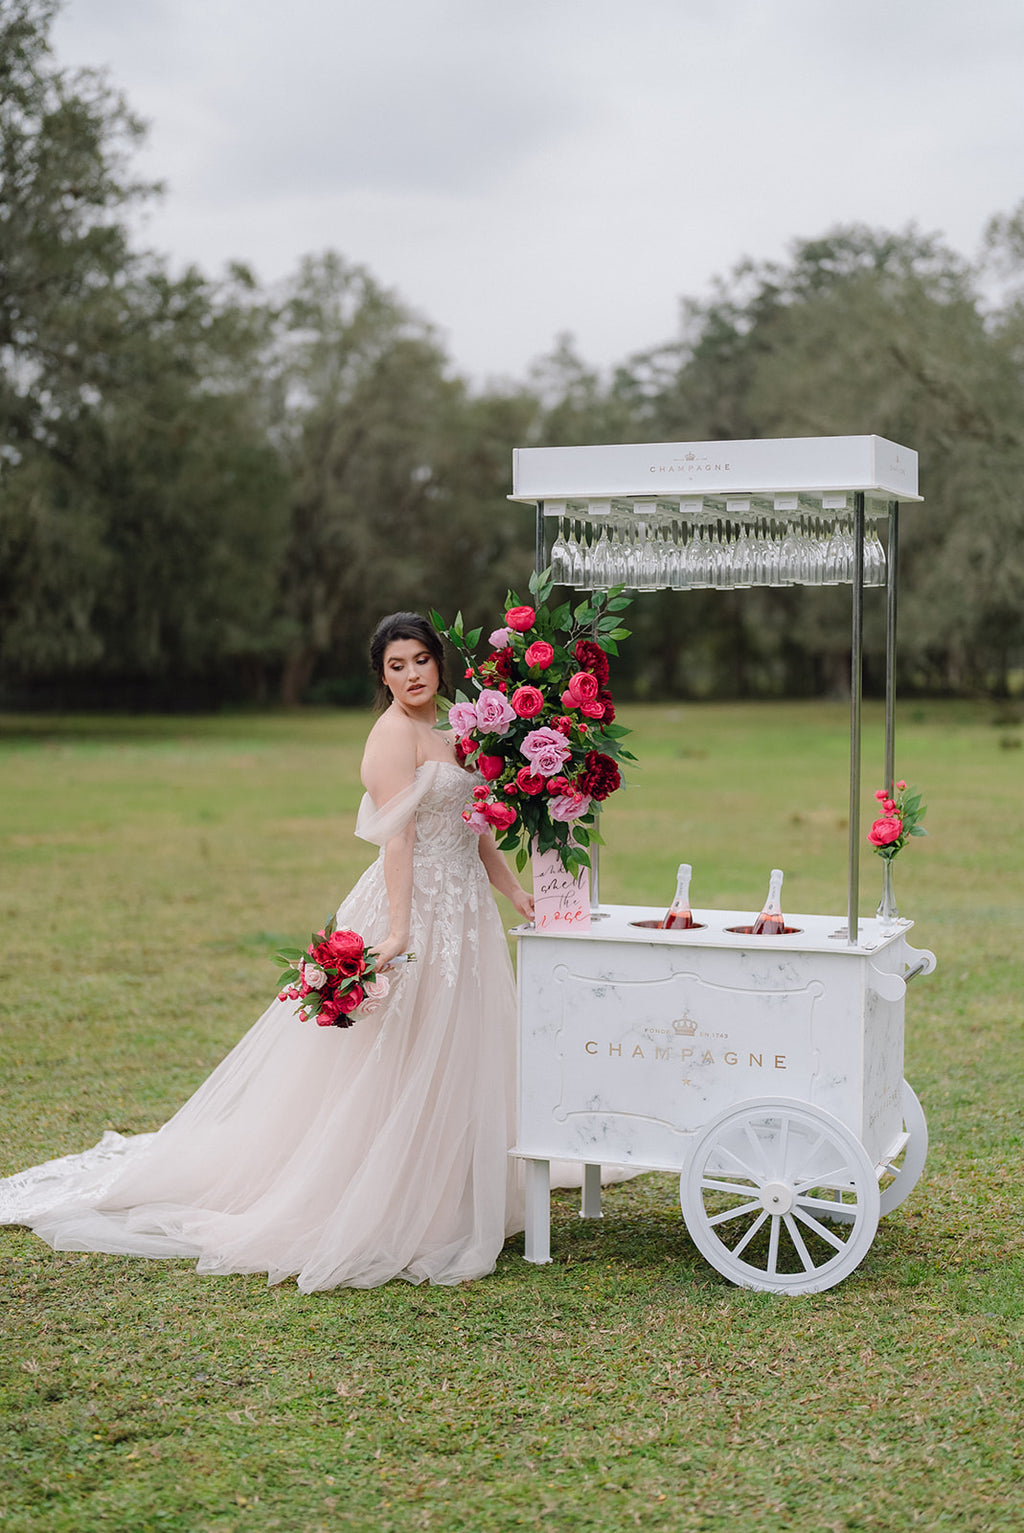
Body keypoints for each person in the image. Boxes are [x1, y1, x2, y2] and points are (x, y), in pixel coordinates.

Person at [0, 613, 537, 1290]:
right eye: (395, 665)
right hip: (415, 906)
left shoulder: (460, 724)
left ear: (439, 661)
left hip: (466, 911)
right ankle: (389, 1192)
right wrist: (399, 933)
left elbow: (476, 820)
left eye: (420, 659)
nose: (411, 674)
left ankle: (455, 1183)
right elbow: (398, 842)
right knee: (397, 1050)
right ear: (381, 674)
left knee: (457, 1039)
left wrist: (512, 889)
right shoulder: (390, 738)